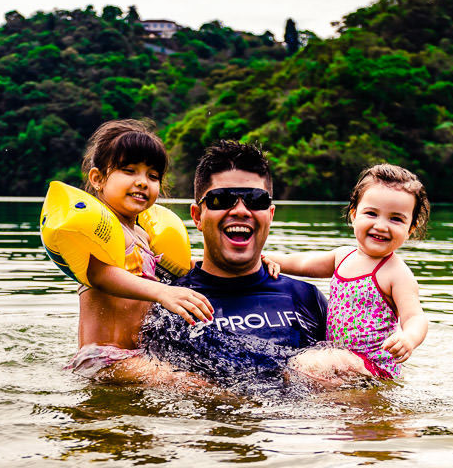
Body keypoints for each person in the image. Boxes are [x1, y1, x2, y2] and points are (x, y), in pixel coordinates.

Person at [139, 140, 348, 389]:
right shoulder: (170, 301)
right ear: (197, 216)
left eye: (255, 200)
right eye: (221, 199)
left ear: (269, 215)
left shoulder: (305, 297)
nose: (240, 210)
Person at [66, 120, 214, 384]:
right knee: (198, 385)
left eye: (152, 176)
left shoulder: (143, 235)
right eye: (129, 170)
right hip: (102, 360)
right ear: (98, 179)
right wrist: (162, 292)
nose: (142, 182)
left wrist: (257, 264)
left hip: (133, 357)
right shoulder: (101, 230)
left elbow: (180, 267)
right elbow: (100, 275)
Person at [265, 164, 430, 379]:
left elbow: (415, 317)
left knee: (305, 367)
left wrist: (408, 339)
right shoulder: (342, 256)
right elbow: (304, 262)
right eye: (371, 213)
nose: (381, 225)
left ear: (411, 228)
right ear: (354, 215)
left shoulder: (396, 273)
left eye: (396, 219)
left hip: (373, 368)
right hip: (340, 361)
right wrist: (265, 259)